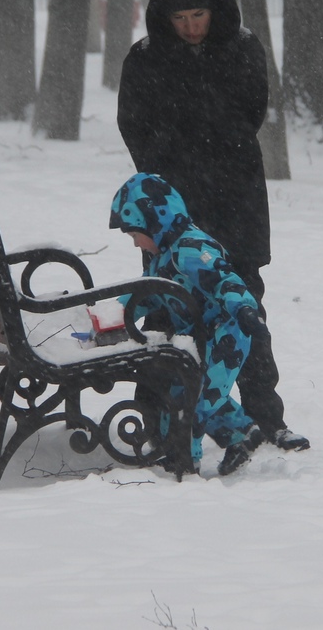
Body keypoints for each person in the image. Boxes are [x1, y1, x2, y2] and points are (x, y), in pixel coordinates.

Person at [116, 0, 309, 453]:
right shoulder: (143, 59)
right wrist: (171, 172)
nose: (191, 27)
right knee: (167, 313)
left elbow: (248, 116)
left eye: (198, 15)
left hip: (236, 202)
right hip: (174, 213)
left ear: (216, 9)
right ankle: (156, 416)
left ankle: (265, 416)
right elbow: (135, 129)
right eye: (179, 19)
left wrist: (196, 129)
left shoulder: (242, 49)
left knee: (245, 308)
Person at [110, 173, 267, 476]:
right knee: (186, 391)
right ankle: (243, 435)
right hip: (199, 338)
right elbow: (148, 293)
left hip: (229, 333)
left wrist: (246, 311)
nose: (135, 244)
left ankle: (183, 462)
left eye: (134, 235)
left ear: (156, 221)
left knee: (193, 400)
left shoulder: (193, 250)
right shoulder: (161, 257)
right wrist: (118, 311)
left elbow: (226, 282)